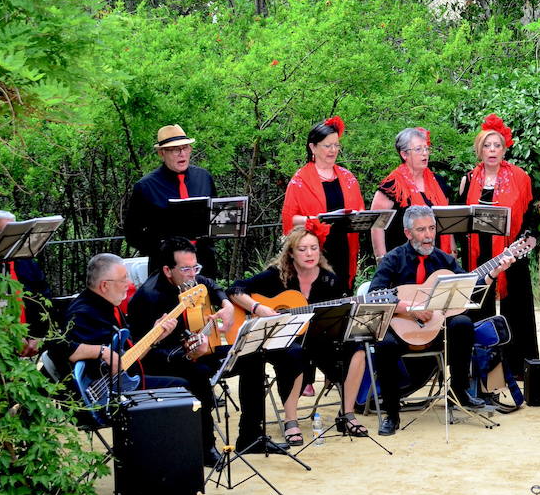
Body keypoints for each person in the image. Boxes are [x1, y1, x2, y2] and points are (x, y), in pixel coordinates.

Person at [127, 238, 291, 458]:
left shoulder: (192, 281)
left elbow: (211, 285)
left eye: (195, 267)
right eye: (185, 268)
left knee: (253, 355)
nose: (192, 274)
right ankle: (205, 446)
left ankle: (251, 437)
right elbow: (144, 355)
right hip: (166, 363)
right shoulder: (148, 298)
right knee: (198, 373)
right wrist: (187, 355)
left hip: (203, 351)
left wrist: (226, 305)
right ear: (167, 270)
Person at [55, 253, 213, 464]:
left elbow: (127, 359)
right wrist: (101, 351)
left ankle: (190, 456)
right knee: (182, 389)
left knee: (190, 377)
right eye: (123, 280)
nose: (128, 284)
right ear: (104, 285)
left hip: (121, 380)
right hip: (102, 395)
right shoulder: (83, 312)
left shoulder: (108, 305)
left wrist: (157, 335)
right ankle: (175, 461)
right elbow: (60, 347)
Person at [363, 206, 503, 436]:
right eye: (421, 230)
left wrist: (491, 274)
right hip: (401, 329)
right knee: (384, 345)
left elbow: (466, 288)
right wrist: (409, 309)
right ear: (408, 233)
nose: (429, 235)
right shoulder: (393, 259)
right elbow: (375, 295)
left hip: (435, 330)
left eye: (431, 228)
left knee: (462, 324)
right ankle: (391, 413)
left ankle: (459, 391)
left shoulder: (444, 259)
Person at [228, 224, 347, 446]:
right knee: (295, 354)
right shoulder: (276, 276)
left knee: (351, 349)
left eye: (314, 248)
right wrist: (258, 308)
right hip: (274, 341)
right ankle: (290, 420)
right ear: (290, 253)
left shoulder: (329, 279)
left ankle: (348, 414)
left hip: (314, 339)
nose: (310, 254)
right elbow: (235, 289)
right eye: (302, 249)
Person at [455, 114, 539, 382]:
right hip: (478, 254)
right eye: (487, 146)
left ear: (505, 149)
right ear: (479, 149)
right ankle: (483, 369)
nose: (492, 151)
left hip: (512, 252)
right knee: (480, 309)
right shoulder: (468, 179)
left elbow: (530, 216)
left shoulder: (520, 177)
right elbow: (459, 219)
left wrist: (529, 236)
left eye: (497, 146)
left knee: (517, 310)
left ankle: (517, 368)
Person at [280, 116, 366, 288]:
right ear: (313, 147)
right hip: (314, 250)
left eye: (336, 145)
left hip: (344, 249)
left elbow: (360, 214)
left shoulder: (348, 178)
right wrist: (316, 220)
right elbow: (289, 219)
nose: (333, 150)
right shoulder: (300, 180)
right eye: (327, 145)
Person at [123, 124, 218, 274]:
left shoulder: (204, 178)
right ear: (161, 153)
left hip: (203, 263)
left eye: (185, 147)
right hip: (166, 266)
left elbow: (215, 218)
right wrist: (162, 249)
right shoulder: (146, 186)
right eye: (175, 149)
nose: (182, 154)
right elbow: (132, 233)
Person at [370, 127, 451, 259]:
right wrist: (382, 259)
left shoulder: (439, 182)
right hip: (403, 262)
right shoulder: (392, 186)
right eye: (418, 149)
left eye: (426, 148)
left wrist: (451, 249)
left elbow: (447, 220)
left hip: (438, 259)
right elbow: (377, 225)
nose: (425, 153)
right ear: (404, 154)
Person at [0, 209, 53, 357]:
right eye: (6, 234)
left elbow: (44, 297)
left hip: (33, 340)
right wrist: (12, 335)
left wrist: (37, 336)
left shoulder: (28, 264)